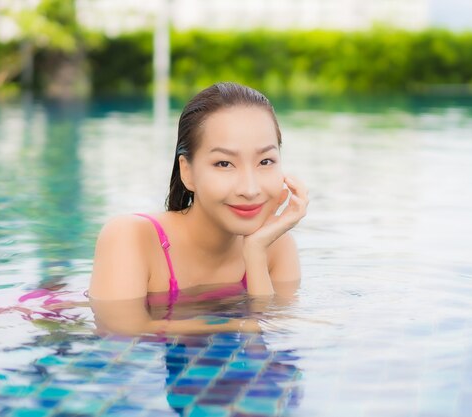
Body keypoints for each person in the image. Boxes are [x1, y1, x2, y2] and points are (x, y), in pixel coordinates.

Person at [88, 82, 308, 335]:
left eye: (265, 161)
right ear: (188, 172)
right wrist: (240, 324)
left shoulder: (277, 246)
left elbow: (269, 337)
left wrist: (256, 254)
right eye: (224, 163)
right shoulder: (130, 237)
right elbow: (120, 333)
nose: (250, 188)